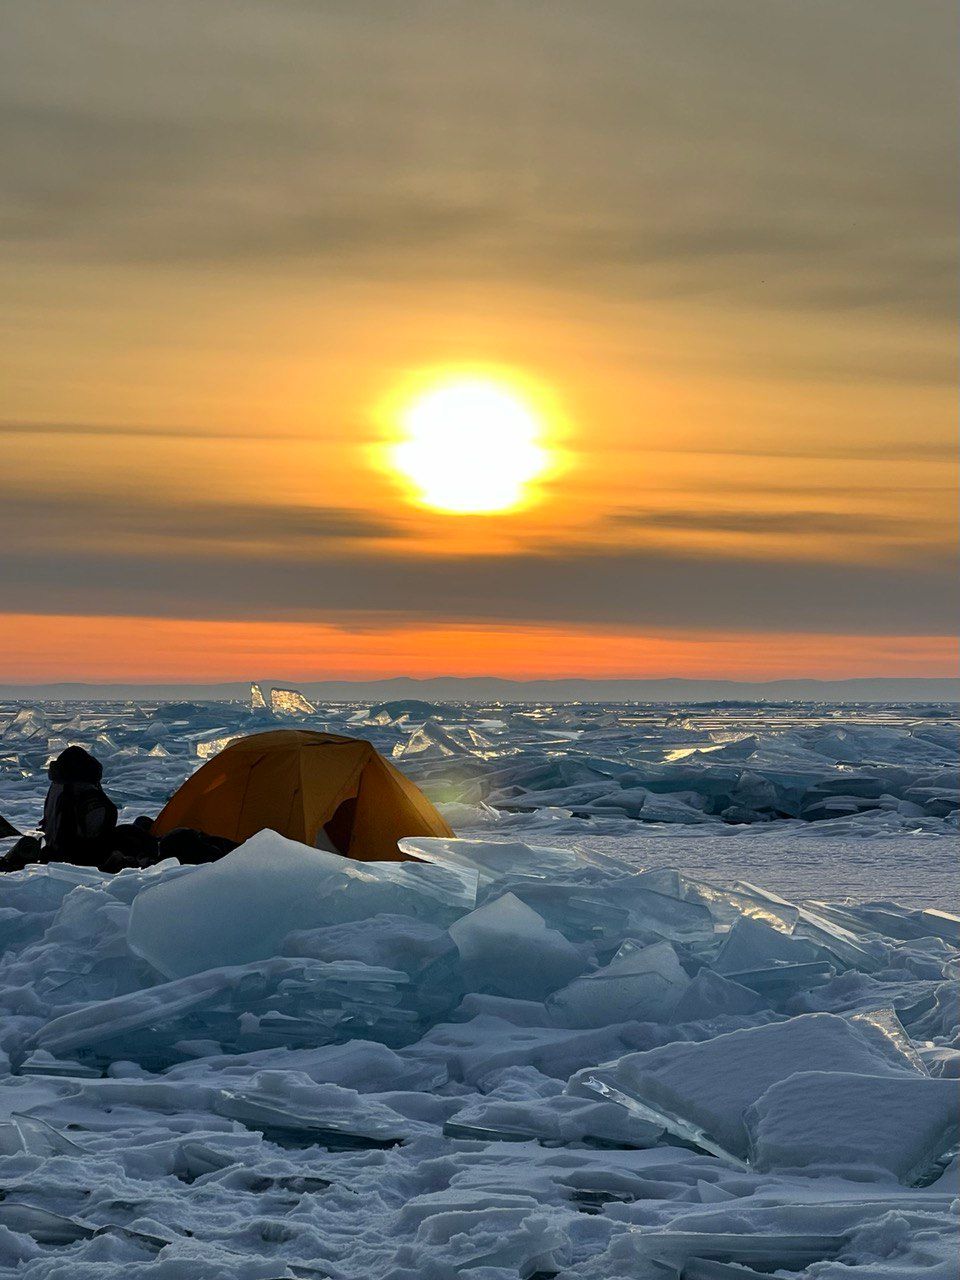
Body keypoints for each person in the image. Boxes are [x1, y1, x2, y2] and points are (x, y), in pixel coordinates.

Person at [40, 745, 119, 866]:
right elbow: (95, 831)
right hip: (80, 857)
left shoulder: (57, 786)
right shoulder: (82, 790)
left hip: (53, 850)